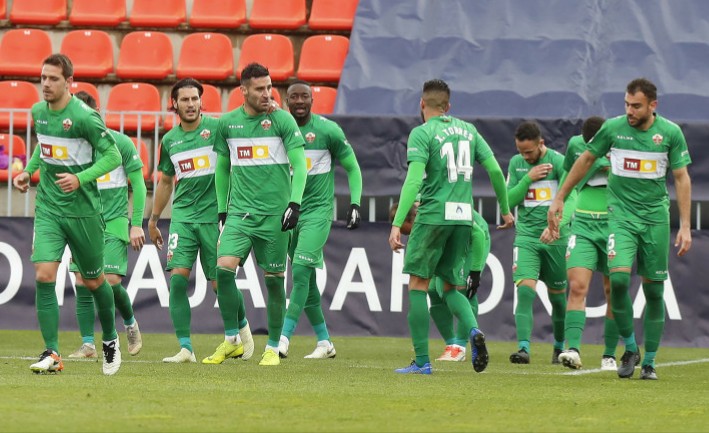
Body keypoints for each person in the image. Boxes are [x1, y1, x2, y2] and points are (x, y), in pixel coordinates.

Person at [548, 78, 693, 380]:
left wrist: (685, 225)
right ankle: (630, 347)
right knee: (618, 282)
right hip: (621, 218)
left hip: (654, 220)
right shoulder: (613, 129)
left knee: (654, 291)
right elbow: (586, 158)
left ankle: (650, 362)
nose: (629, 110)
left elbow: (681, 177)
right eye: (627, 104)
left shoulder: (669, 134)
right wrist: (559, 197)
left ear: (653, 106)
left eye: (636, 106)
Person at [388, 79, 514, 375]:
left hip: (433, 216)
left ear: (422, 104)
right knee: (450, 287)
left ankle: (421, 362)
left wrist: (397, 223)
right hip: (463, 217)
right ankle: (472, 332)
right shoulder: (469, 131)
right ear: (449, 106)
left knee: (418, 286)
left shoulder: (421, 133)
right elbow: (496, 170)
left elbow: (415, 180)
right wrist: (506, 211)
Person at [12, 54, 122, 375]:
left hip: (84, 212)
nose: (45, 84)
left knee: (93, 280)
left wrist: (81, 178)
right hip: (48, 207)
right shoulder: (38, 113)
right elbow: (43, 146)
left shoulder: (85, 117)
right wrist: (28, 172)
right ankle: (52, 353)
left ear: (69, 82)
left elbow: (112, 155)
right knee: (44, 274)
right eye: (43, 78)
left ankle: (110, 340)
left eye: (53, 79)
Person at [208, 63, 307, 366]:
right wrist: (223, 210)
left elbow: (300, 165)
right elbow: (223, 167)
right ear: (244, 91)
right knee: (222, 270)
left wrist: (295, 203)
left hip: (275, 215)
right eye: (260, 89)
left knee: (275, 281)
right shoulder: (227, 124)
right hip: (240, 213)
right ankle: (231, 340)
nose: (267, 94)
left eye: (269, 87)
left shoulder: (282, 120)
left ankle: (273, 348)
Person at [149, 78, 254, 363]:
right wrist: (154, 219)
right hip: (183, 218)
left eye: (195, 98)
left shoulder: (217, 129)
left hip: (214, 217)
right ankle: (185, 348)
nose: (191, 104)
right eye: (185, 99)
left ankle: (240, 331)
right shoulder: (170, 141)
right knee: (178, 281)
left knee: (221, 282)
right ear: (175, 104)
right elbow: (166, 182)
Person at [277, 80, 362, 359]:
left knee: (299, 272)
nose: (300, 101)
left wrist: (355, 203)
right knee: (308, 281)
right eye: (294, 97)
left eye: (305, 96)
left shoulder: (328, 131)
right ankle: (325, 342)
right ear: (286, 101)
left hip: (317, 213)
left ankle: (283, 338)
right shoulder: (280, 131)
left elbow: (352, 167)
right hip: (289, 215)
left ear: (312, 100)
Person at [65, 91, 147, 360]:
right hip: (85, 225)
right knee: (81, 281)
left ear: (97, 113)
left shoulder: (120, 143)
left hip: (114, 222)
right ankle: (88, 344)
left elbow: (140, 185)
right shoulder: (73, 150)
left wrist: (136, 225)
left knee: (109, 282)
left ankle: (130, 322)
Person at [554, 116, 621, 371]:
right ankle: (572, 348)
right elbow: (570, 175)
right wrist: (559, 205)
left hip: (614, 222)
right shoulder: (574, 145)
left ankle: (610, 354)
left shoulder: (620, 145)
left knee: (612, 290)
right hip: (582, 223)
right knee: (578, 286)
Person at [506, 121, 574, 365]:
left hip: (556, 239)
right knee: (524, 291)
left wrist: (555, 225)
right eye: (521, 152)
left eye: (529, 152)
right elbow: (508, 200)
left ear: (541, 144)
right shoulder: (516, 165)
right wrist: (528, 179)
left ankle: (558, 347)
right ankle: (523, 348)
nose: (525, 157)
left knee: (558, 298)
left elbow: (570, 198)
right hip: (526, 237)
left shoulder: (559, 163)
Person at [430, 210, 491, 361]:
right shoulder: (420, 208)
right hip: (449, 239)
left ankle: (460, 346)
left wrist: (475, 270)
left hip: (473, 237)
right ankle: (451, 345)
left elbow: (477, 233)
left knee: (465, 288)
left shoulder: (436, 205)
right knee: (432, 289)